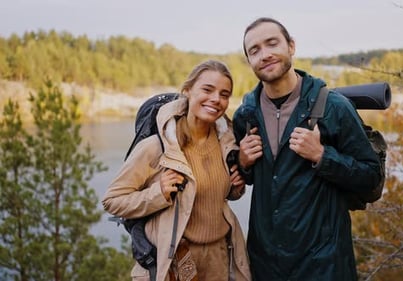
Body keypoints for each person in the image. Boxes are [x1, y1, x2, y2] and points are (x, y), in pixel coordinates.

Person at [232, 17, 382, 281]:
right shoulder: (246, 115)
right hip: (266, 264)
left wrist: (323, 156)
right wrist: (243, 163)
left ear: (291, 46)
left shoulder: (334, 107)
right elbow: (254, 178)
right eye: (254, 50)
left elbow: (370, 177)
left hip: (325, 265)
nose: (265, 54)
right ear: (249, 61)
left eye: (272, 43)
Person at [102, 60, 251, 281]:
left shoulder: (226, 143)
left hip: (219, 258)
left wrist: (235, 187)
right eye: (207, 90)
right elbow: (112, 200)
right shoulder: (158, 146)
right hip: (176, 261)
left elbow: (216, 196)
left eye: (224, 94)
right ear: (188, 91)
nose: (216, 99)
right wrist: (158, 193)